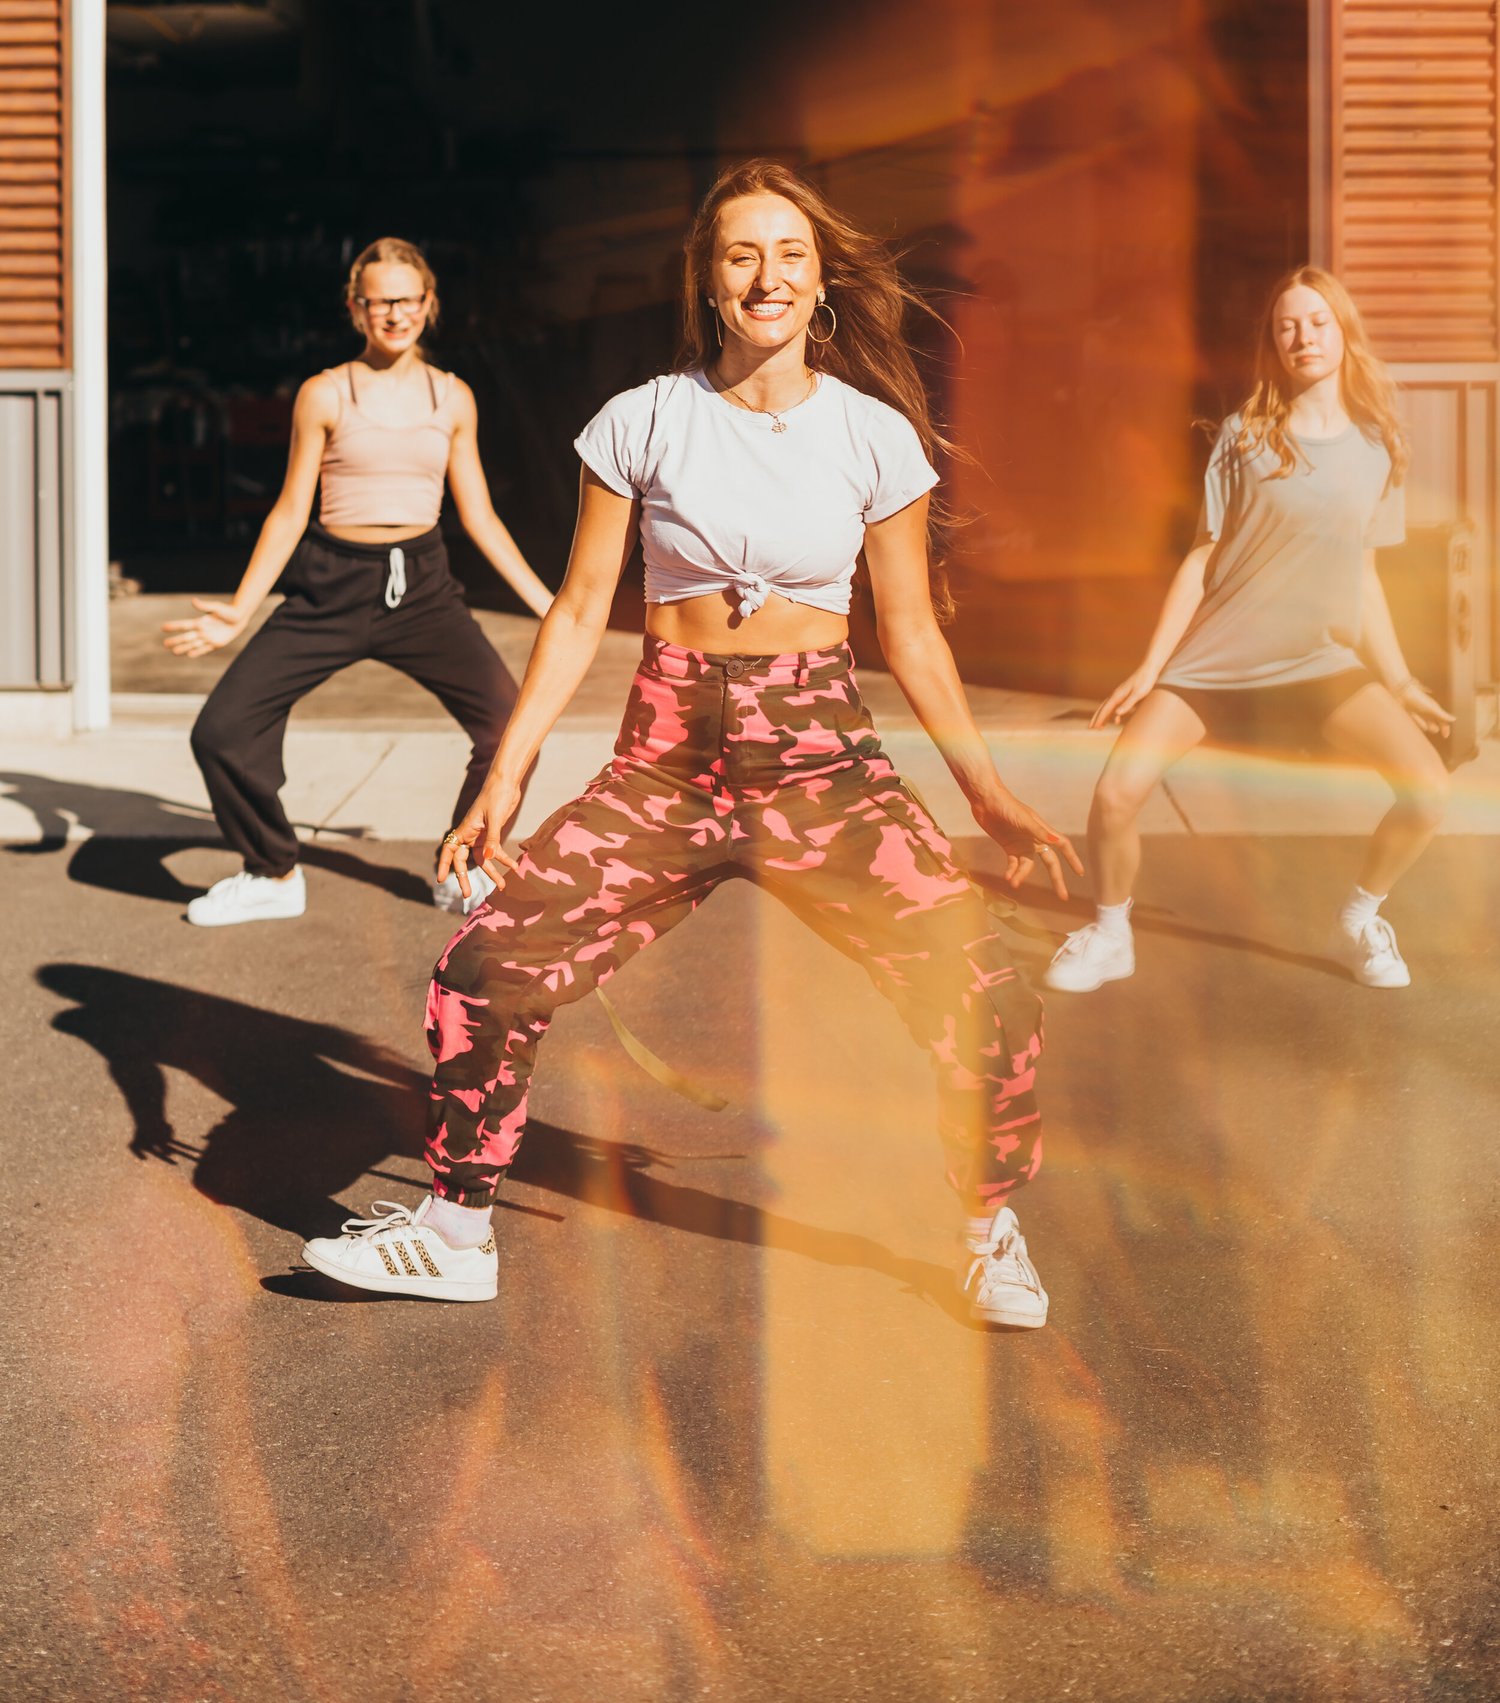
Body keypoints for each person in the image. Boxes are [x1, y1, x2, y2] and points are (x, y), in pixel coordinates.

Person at [302, 160, 1081, 1325]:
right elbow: (578, 610)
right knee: (483, 968)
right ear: (708, 282)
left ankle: (987, 1231)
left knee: (987, 986)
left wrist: (990, 793)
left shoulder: (874, 434)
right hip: (667, 757)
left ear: (820, 281)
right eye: (740, 255)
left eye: (789, 254)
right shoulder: (644, 418)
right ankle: (457, 1233)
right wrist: (504, 780)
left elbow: (912, 631)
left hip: (821, 756)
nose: (767, 276)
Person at [1045, 266, 1452, 998]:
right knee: (1115, 794)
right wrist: (1150, 668)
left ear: (1343, 331)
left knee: (1427, 789)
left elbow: (1364, 575)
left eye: (1318, 322)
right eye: (1287, 326)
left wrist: (1399, 680)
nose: (1304, 337)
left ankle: (1358, 919)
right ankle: (1109, 935)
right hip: (1217, 657)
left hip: (1321, 660)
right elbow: (1202, 557)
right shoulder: (1245, 436)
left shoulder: (1378, 445)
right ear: (1273, 342)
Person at [164, 237, 552, 926]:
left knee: (510, 726)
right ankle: (272, 871)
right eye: (379, 302)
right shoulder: (324, 392)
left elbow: (480, 516)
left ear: (428, 304)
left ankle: (462, 866)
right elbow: (291, 508)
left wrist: (551, 605)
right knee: (222, 730)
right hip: (330, 584)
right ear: (355, 308)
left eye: (407, 299)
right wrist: (241, 608)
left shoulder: (453, 398)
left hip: (424, 588)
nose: (394, 313)